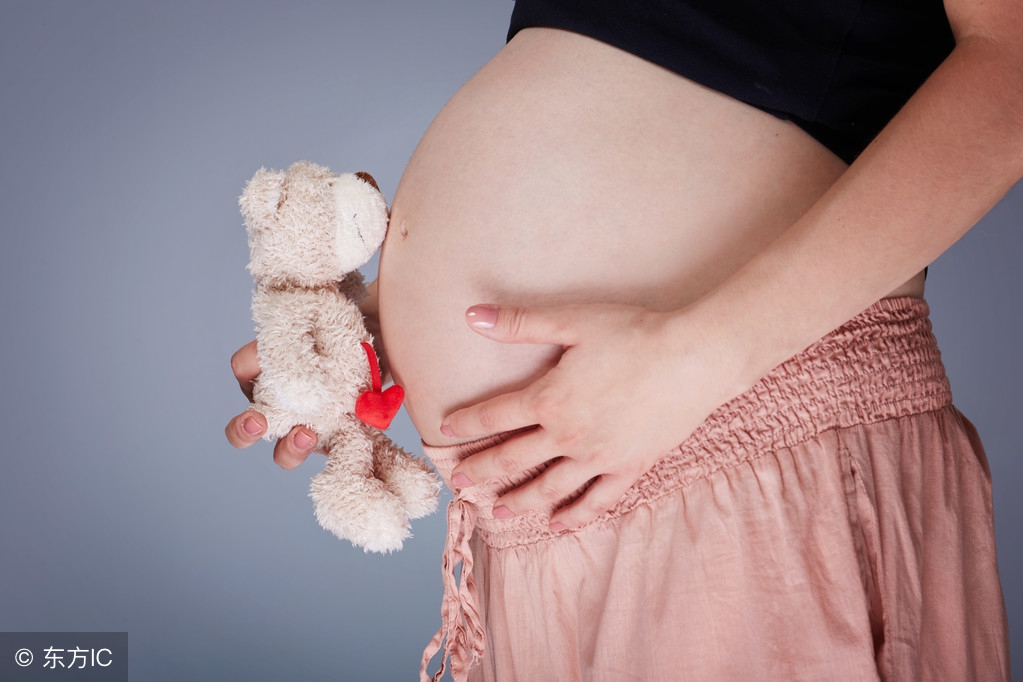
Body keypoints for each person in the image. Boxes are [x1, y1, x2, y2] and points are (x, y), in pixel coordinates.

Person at [227, 0, 1019, 679]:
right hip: (548, 528)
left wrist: (698, 358)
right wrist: (378, 329)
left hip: (752, 442)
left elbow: (1009, 67)